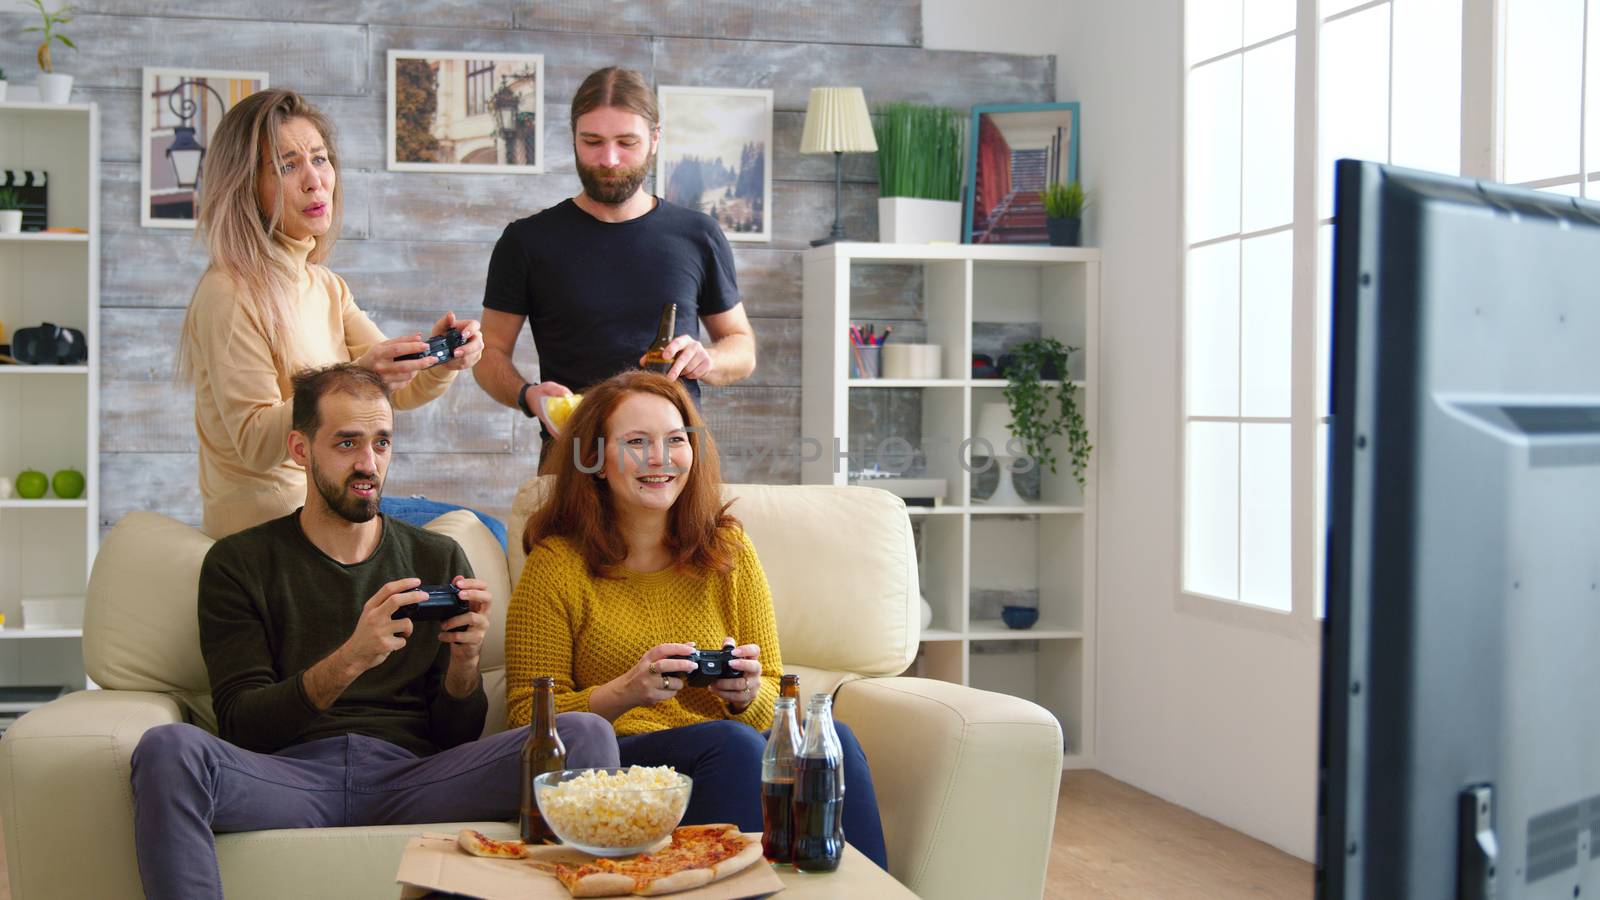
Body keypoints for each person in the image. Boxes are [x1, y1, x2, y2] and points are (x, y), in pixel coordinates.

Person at [128, 364, 618, 900]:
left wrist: (463, 665)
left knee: (585, 735)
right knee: (167, 749)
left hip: (412, 777)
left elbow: (453, 736)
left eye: (381, 443)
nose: (368, 464)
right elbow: (244, 726)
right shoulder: (240, 563)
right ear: (300, 448)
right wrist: (351, 658)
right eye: (346, 443)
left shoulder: (437, 555)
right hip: (288, 779)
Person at [504, 371, 888, 869]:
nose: (660, 458)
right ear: (594, 460)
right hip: (622, 762)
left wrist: (747, 694)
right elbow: (524, 717)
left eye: (675, 440)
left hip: (731, 742)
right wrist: (628, 690)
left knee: (831, 742)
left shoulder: (726, 549)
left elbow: (776, 690)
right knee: (731, 746)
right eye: (636, 442)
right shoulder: (558, 564)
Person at [176, 88, 489, 540]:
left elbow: (397, 389)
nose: (314, 180)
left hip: (328, 502)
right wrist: (354, 374)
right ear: (246, 185)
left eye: (319, 159)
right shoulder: (229, 290)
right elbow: (253, 443)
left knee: (482, 531)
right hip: (274, 526)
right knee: (470, 536)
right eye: (287, 166)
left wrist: (443, 360)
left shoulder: (324, 285)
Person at [474, 66, 757, 454]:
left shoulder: (699, 234)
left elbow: (742, 346)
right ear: (573, 138)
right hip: (574, 458)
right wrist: (528, 396)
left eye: (627, 142)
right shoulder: (526, 241)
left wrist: (707, 358)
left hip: (676, 457)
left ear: (655, 139)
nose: (609, 159)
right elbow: (488, 354)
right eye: (592, 141)